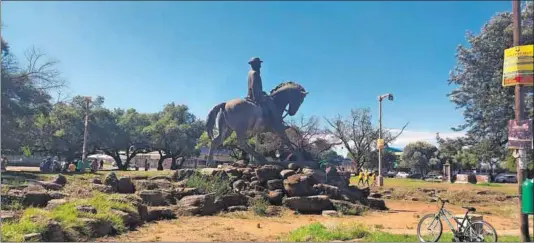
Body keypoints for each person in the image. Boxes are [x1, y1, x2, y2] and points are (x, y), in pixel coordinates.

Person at [246, 57, 279, 126]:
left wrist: (263, 93)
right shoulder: (255, 73)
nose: (260, 66)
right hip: (255, 96)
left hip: (250, 95)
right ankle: (274, 122)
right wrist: (258, 98)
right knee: (271, 101)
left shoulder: (250, 73)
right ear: (255, 65)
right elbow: (254, 87)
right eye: (259, 64)